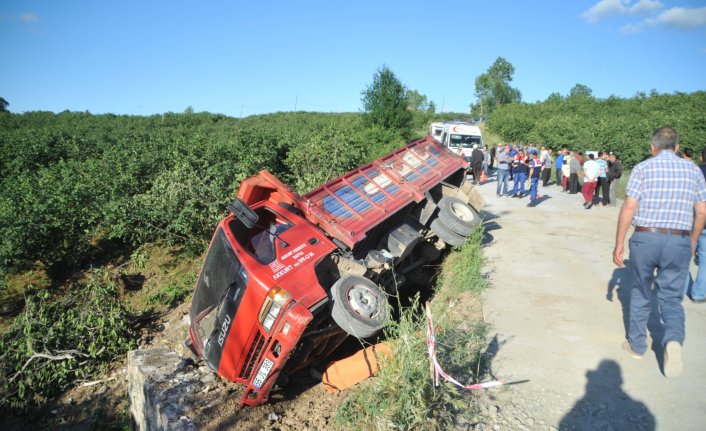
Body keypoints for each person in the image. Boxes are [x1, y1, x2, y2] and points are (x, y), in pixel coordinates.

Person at [613, 127, 706, 378]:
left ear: (652, 147)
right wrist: (693, 240)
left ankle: (637, 345)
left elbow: (630, 206)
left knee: (641, 290)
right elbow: (701, 212)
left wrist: (619, 242)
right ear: (677, 147)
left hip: (646, 236)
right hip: (679, 240)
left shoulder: (643, 169)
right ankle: (673, 339)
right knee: (671, 297)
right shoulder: (694, 170)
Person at [685, 148, 706, 303]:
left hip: (692, 219)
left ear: (701, 157)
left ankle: (681, 288)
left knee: (685, 253)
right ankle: (699, 293)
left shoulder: (695, 172)